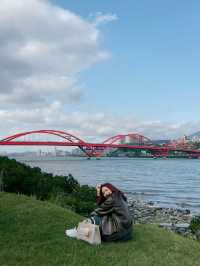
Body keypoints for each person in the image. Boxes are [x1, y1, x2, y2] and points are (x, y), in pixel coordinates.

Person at [65, 183, 133, 242]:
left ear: (111, 188)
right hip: (127, 233)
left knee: (94, 219)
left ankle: (77, 231)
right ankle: (80, 231)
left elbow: (98, 211)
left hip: (119, 231)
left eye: (106, 190)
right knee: (100, 218)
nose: (105, 193)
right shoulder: (118, 196)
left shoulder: (113, 198)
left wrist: (90, 218)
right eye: (103, 193)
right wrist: (98, 192)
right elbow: (103, 207)